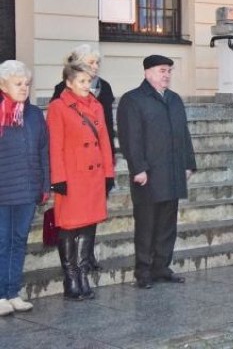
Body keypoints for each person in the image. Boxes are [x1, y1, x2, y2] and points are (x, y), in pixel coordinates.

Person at [117, 55, 196, 289]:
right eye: (162, 70)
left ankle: (161, 267)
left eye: (169, 71)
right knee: (146, 224)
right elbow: (130, 137)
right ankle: (143, 271)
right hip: (148, 175)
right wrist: (138, 168)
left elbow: (184, 133)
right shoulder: (133, 100)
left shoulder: (174, 100)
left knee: (167, 224)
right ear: (147, 72)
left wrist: (188, 163)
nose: (167, 75)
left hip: (172, 172)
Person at [47, 62, 115, 300]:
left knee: (89, 225)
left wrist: (108, 173)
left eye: (89, 81)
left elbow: (105, 141)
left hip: (93, 177)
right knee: (68, 226)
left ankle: (83, 274)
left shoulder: (96, 105)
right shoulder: (58, 107)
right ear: (68, 83)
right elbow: (54, 145)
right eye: (82, 81)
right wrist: (58, 179)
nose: (87, 86)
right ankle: (71, 277)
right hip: (72, 177)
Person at [0, 61, 49, 316]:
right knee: (2, 242)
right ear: (2, 85)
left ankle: (12, 292)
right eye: (18, 84)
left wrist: (44, 184)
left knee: (18, 241)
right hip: (3, 188)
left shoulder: (33, 114)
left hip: (27, 188)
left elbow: (43, 150)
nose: (24, 88)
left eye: (27, 84)